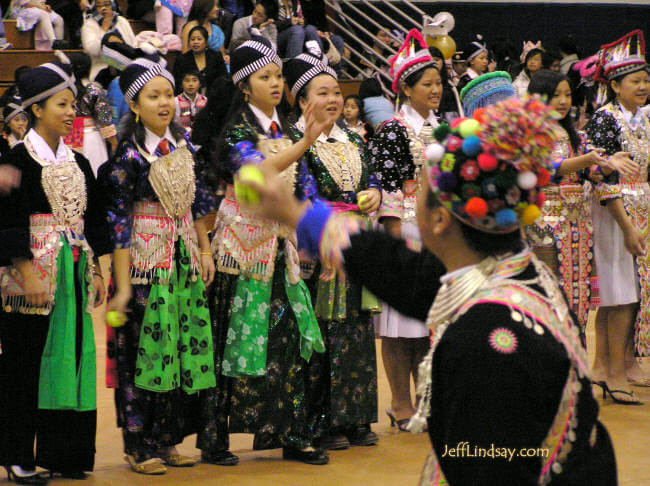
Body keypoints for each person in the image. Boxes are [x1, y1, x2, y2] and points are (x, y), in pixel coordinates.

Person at [245, 94, 618, 486]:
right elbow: (405, 271)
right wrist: (293, 212)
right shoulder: (516, 275)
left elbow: (486, 468)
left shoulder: (488, 340)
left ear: (439, 218)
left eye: (421, 187)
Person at [197, 36, 333, 467]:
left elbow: (304, 188)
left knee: (291, 339)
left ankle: (293, 433)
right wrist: (305, 142)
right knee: (231, 340)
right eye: (265, 76)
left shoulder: (289, 130)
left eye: (278, 75)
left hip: (280, 249)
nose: (276, 83)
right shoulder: (237, 131)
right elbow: (255, 172)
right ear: (243, 85)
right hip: (241, 249)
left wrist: (321, 239)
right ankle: (215, 437)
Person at [100, 53, 218, 475]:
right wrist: (124, 285)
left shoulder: (185, 147)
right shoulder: (127, 159)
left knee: (179, 349)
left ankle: (167, 439)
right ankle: (139, 445)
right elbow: (117, 223)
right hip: (144, 265)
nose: (165, 102)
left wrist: (205, 250)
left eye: (168, 94)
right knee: (141, 353)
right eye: (154, 96)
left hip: (182, 258)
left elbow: (200, 203)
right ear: (134, 105)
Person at [0, 60, 110, 483]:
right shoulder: (15, 161)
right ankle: (16, 455)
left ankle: (65, 453)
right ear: (36, 110)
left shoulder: (79, 163)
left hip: (72, 277)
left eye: (72, 104)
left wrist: (96, 270)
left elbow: (92, 223)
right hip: (32, 278)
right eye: (61, 104)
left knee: (73, 360)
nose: (70, 112)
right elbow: (6, 221)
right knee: (26, 367)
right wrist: (26, 272)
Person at [284, 51, 381, 450]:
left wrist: (374, 190)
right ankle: (322, 421)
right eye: (322, 92)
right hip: (317, 244)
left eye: (337, 92)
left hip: (356, 241)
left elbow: (371, 172)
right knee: (321, 332)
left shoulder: (355, 138)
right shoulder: (294, 141)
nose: (334, 99)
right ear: (303, 101)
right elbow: (300, 191)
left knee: (356, 329)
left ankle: (355, 416)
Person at [369, 29, 441, 431]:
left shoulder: (446, 129)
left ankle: (426, 397)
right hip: (407, 233)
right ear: (406, 88)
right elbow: (387, 188)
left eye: (439, 83)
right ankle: (399, 402)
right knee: (400, 327)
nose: (436, 89)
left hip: (440, 235)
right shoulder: (394, 130)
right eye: (427, 84)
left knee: (428, 325)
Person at [526, 69, 629, 331]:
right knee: (548, 287)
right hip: (542, 222)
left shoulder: (576, 135)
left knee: (577, 286)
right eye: (555, 95)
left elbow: (590, 173)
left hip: (577, 223)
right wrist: (587, 160)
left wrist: (607, 166)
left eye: (567, 95)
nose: (563, 101)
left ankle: (575, 350)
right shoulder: (529, 134)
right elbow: (545, 168)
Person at [585, 30, 650, 404]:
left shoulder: (644, 118)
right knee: (618, 295)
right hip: (614, 214)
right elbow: (602, 178)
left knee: (633, 294)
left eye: (646, 80)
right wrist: (627, 228)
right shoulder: (604, 120)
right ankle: (609, 371)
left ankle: (615, 365)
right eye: (635, 81)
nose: (643, 86)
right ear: (614, 84)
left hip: (642, 210)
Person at [63, 52, 118, 176]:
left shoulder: (63, 90)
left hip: (68, 136)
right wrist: (113, 142)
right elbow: (104, 118)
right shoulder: (93, 89)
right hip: (92, 138)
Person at [81, 0, 137, 83]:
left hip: (128, 66)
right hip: (102, 68)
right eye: (99, 6)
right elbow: (93, 51)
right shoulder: (89, 25)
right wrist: (104, 29)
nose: (103, 8)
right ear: (94, 9)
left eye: (107, 4)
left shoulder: (121, 21)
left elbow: (133, 45)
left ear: (113, 6)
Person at [174, 25, 228, 93]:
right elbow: (178, 84)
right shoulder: (181, 60)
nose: (195, 42)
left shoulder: (216, 56)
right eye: (192, 39)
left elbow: (223, 78)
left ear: (206, 42)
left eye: (199, 39)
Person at [428, 46, 463, 123]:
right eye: (430, 60)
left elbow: (456, 112)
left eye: (437, 60)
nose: (434, 63)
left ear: (442, 62)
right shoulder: (419, 86)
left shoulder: (450, 86)